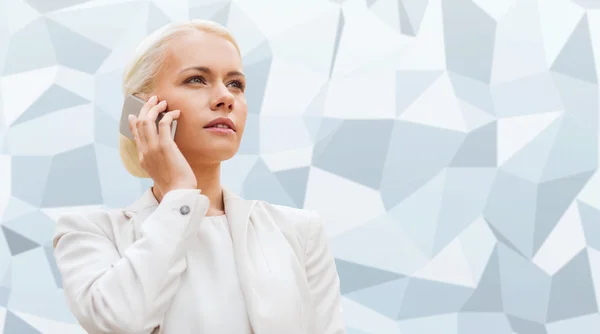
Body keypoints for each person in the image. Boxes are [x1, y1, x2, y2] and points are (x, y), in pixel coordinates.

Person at [52, 19, 345, 334]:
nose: (225, 98)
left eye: (236, 84)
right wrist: (179, 194)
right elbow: (122, 322)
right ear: (143, 109)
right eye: (196, 79)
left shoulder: (299, 232)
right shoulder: (90, 234)